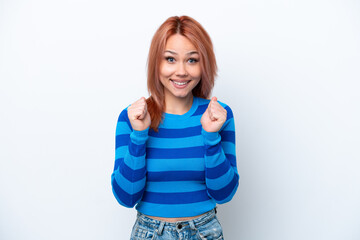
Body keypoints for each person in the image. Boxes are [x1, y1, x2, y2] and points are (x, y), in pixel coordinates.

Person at [111, 15, 239, 240]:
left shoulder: (218, 115)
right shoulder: (132, 117)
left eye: (192, 60)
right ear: (156, 63)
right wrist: (139, 135)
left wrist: (210, 137)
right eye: (170, 59)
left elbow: (224, 193)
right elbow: (126, 196)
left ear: (204, 64)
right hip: (149, 233)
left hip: (204, 232)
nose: (181, 71)